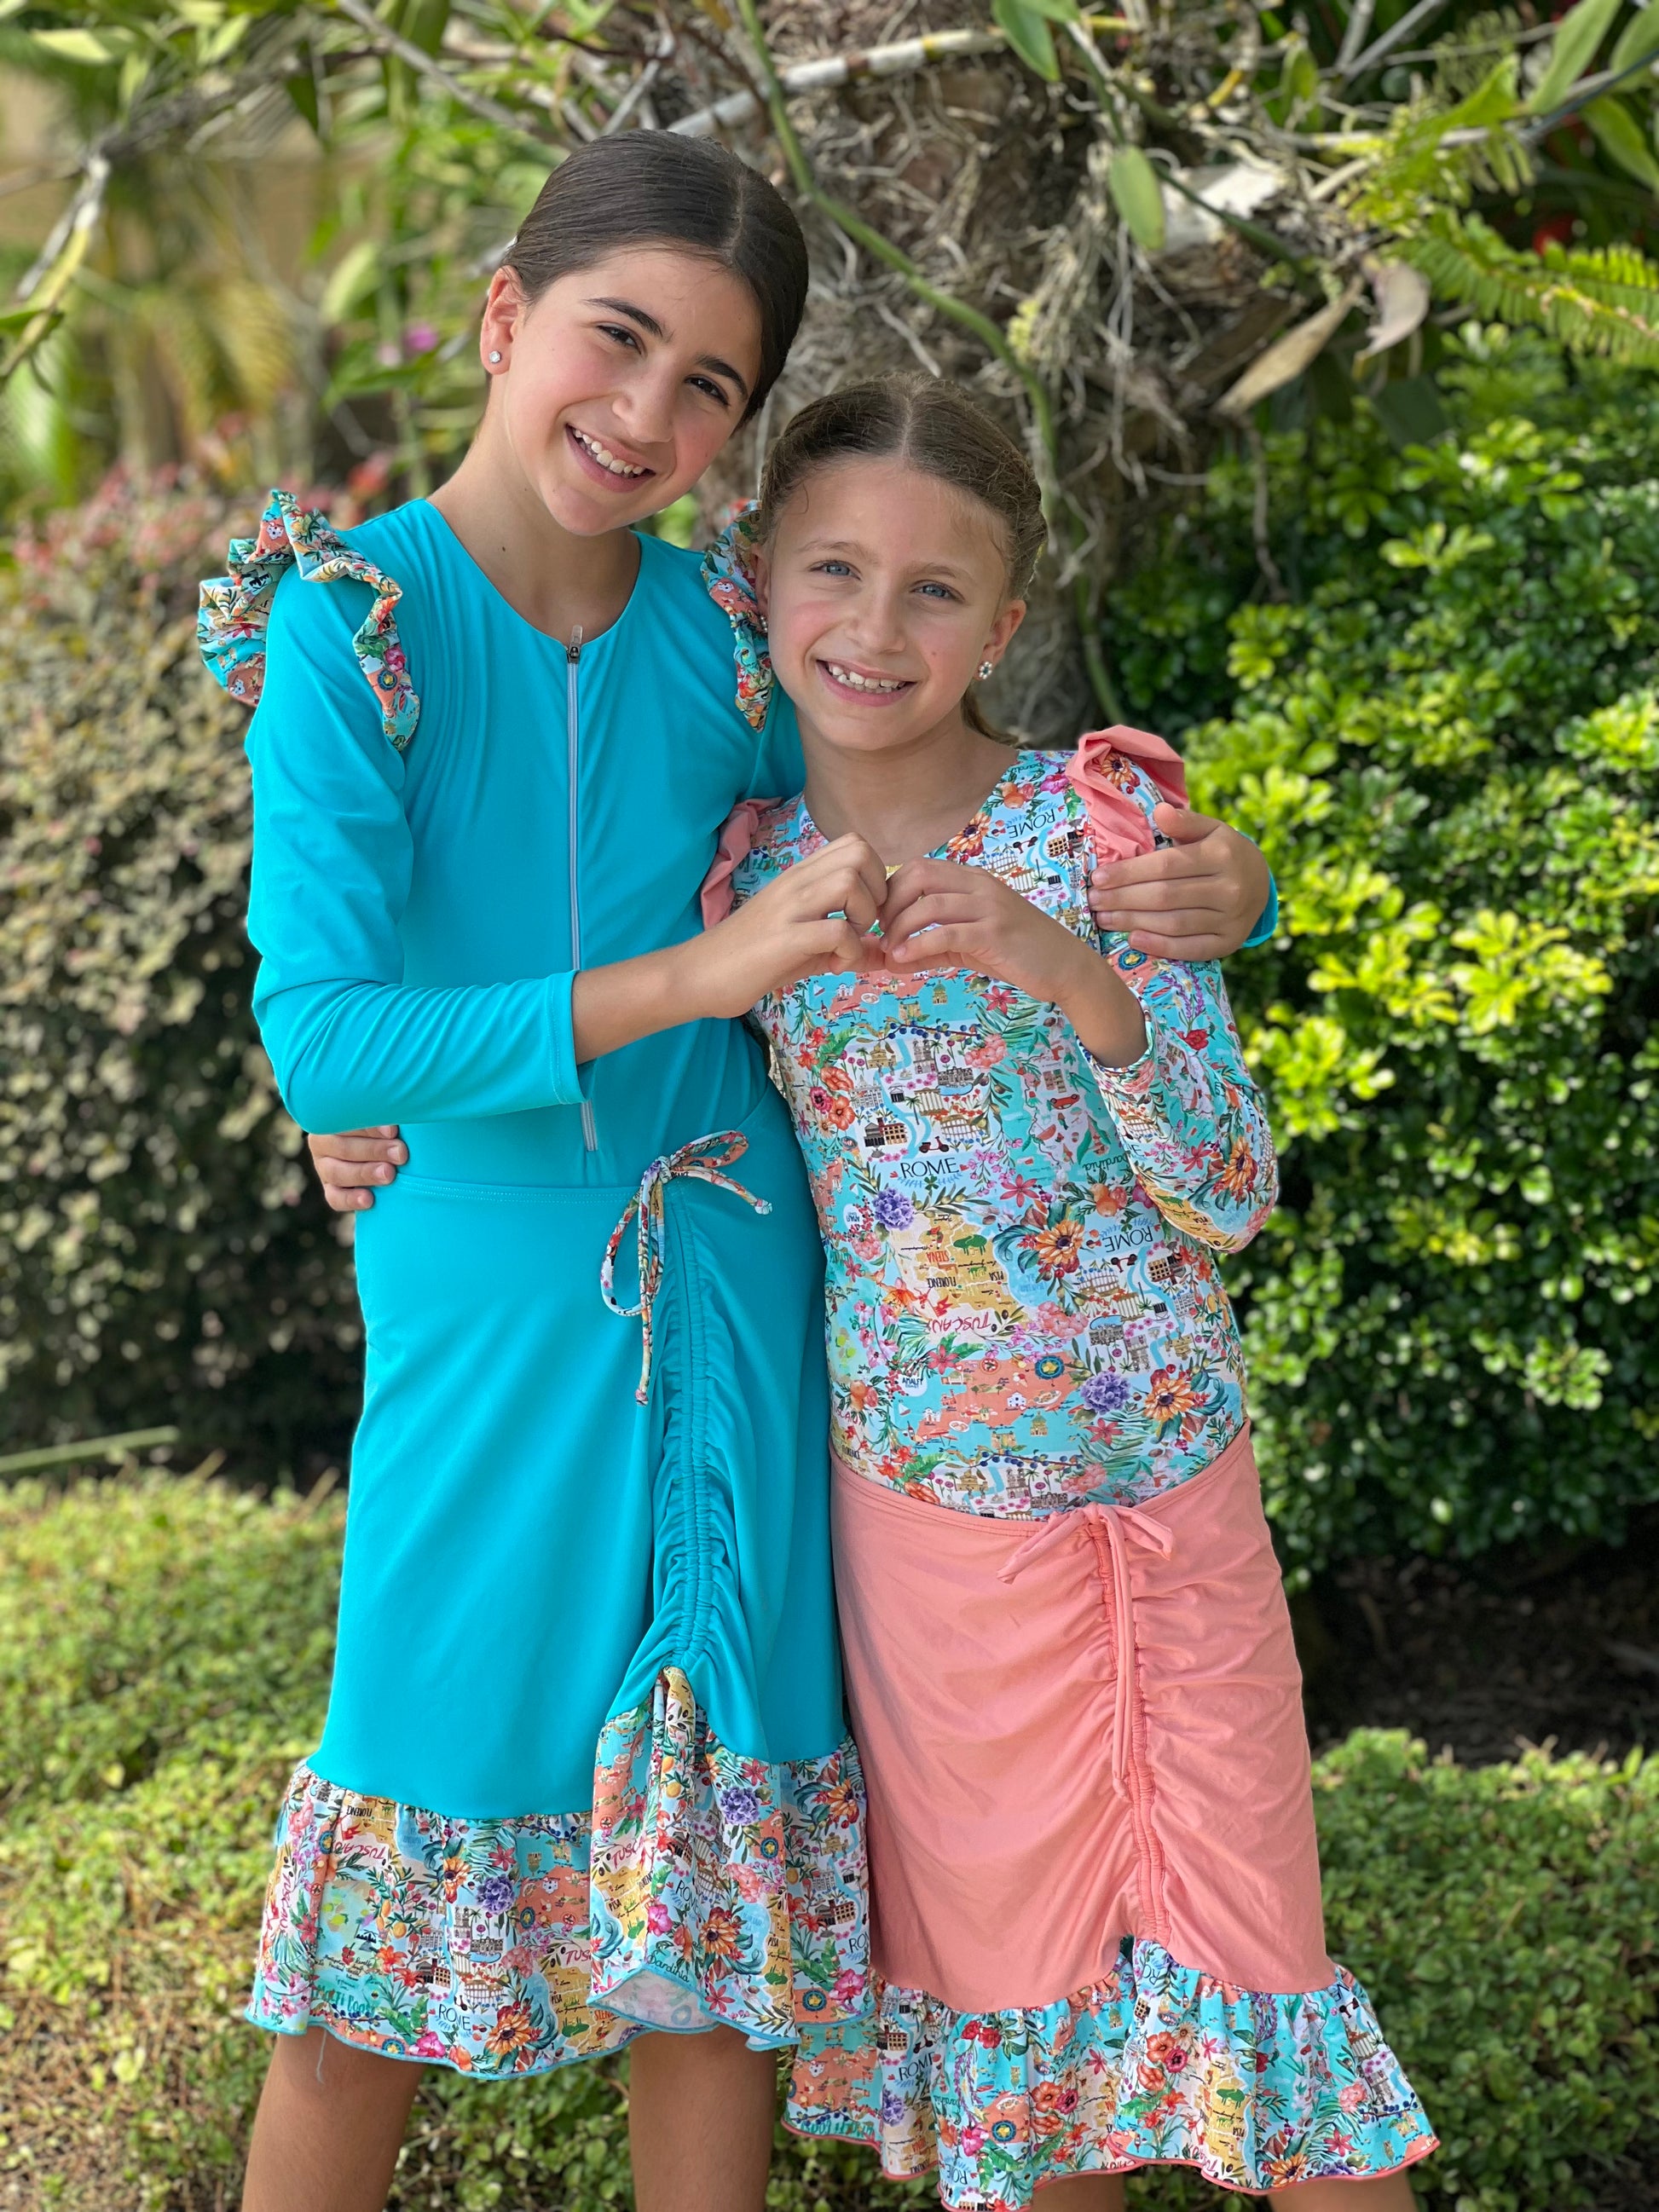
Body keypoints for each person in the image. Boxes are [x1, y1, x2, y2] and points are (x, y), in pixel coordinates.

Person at [201, 138, 1279, 2212]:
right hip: (489, 1322)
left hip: (758, 1305)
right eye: (616, 338)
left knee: (718, 1940)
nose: (646, 411)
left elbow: (946, 789)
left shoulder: (729, 634)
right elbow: (326, 1033)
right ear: (504, 315)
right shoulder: (350, 632)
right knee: (375, 1943)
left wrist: (1209, 884)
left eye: (709, 384)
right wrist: (674, 983)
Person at [695, 373, 1437, 2208]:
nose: (875, 628)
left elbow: (1227, 1191)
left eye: (935, 590)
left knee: (1262, 1985)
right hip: (928, 1532)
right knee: (1017, 2049)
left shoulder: (1101, 838)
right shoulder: (736, 875)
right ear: (759, 578)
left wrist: (1072, 974)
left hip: (1160, 1508)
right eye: (833, 570)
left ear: (1004, 623)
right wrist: (365, 1118)